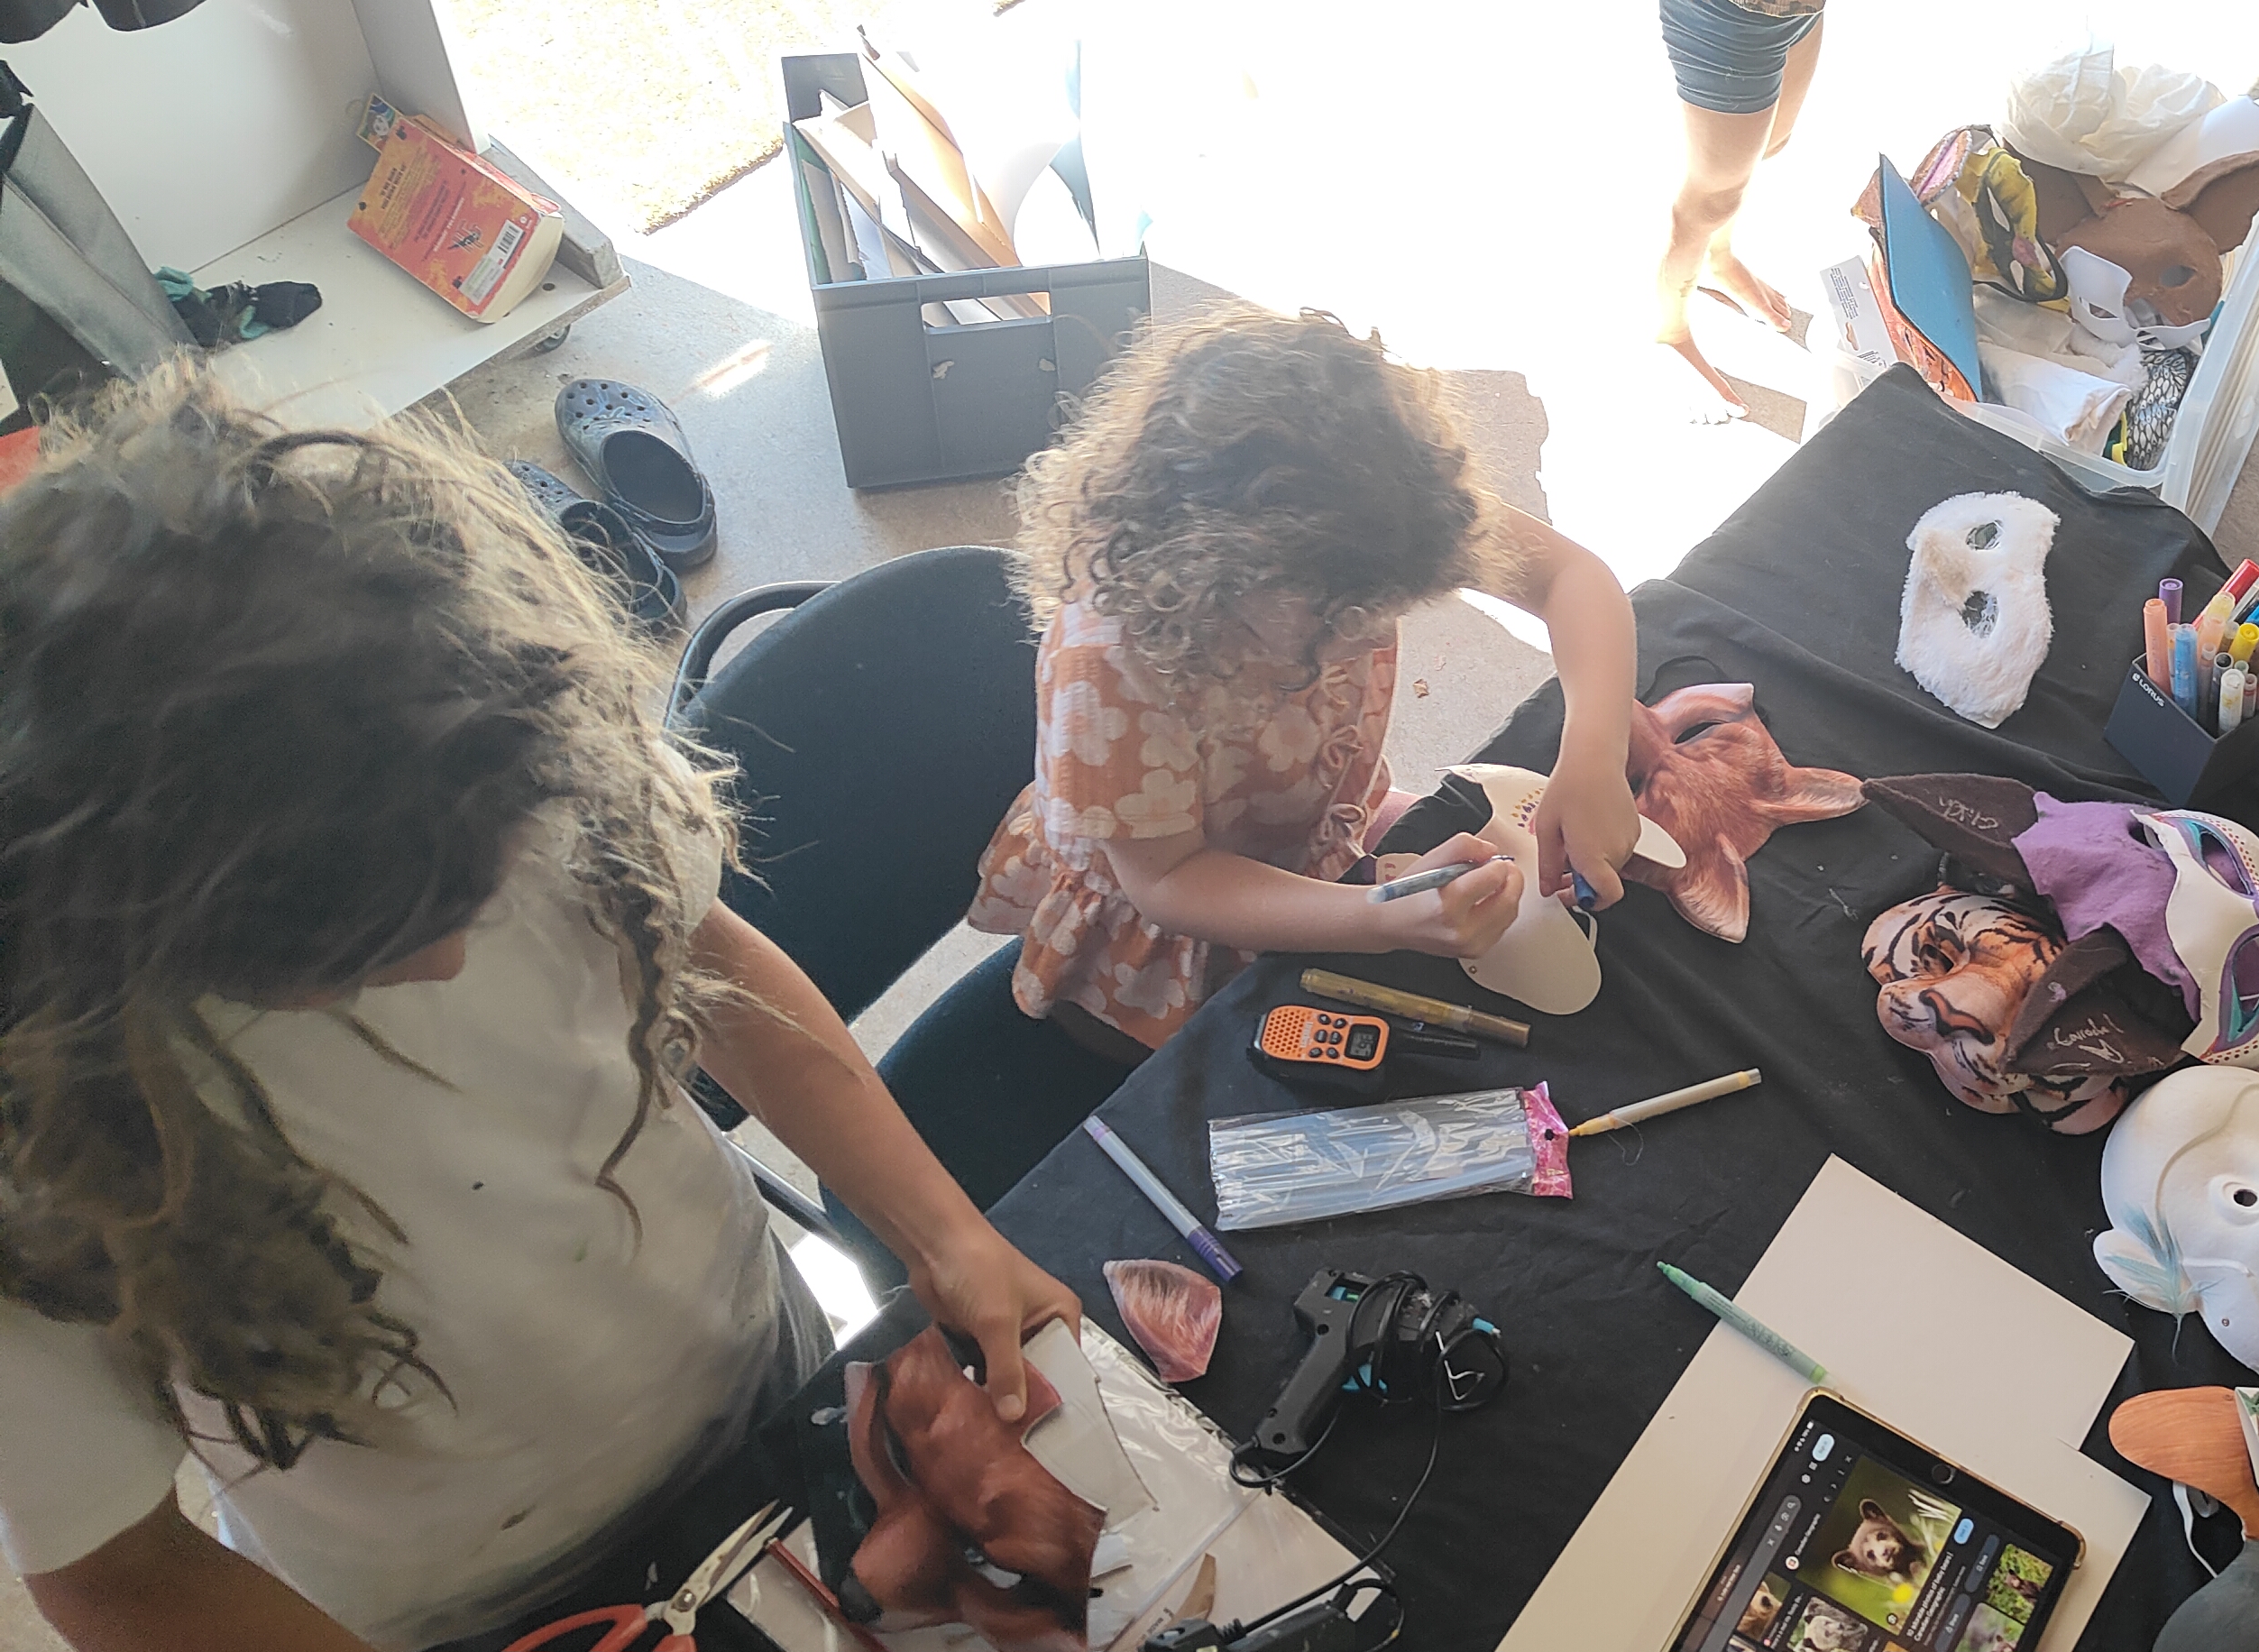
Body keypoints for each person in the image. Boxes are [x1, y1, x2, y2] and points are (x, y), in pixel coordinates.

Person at [0, 366, 1078, 1651]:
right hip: (464, 1594)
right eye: (372, 945)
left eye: (477, 884)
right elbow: (113, 1566)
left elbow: (712, 960)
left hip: (763, 1372)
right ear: (151, 921)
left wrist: (943, 1231)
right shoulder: (38, 1136)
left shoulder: (472, 740)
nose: (453, 960)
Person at [968, 304, 1641, 1056]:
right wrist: (1378, 919)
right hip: (1163, 949)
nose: (1372, 642)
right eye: (1338, 621)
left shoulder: (1379, 517)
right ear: (1208, 580)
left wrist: (1593, 752)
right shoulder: (1115, 663)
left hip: (1310, 828)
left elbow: (1570, 576)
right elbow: (1168, 880)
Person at [1651, 0, 1825, 415]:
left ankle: (1719, 257)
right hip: (1726, 16)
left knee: (1772, 143)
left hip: (1799, 10)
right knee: (1711, 202)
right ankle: (1668, 331)